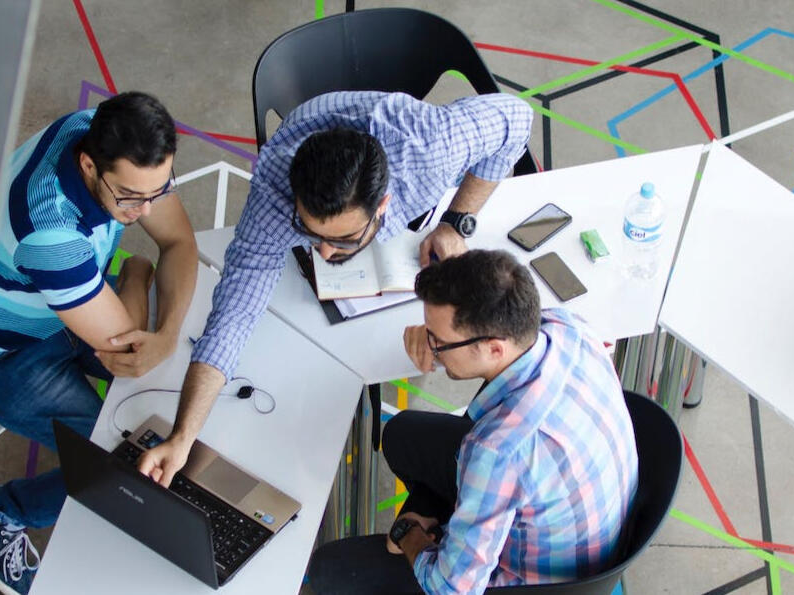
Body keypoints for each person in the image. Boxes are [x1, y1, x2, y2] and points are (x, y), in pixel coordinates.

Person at [137, 90, 534, 487]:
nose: (325, 253)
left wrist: (457, 219)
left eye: (343, 240)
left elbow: (517, 118)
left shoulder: (431, 149)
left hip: (402, 136)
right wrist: (183, 436)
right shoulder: (275, 190)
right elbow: (234, 313)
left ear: (383, 206)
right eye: (310, 233)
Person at [0, 91, 198, 594]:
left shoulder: (104, 131)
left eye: (159, 192)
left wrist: (167, 332)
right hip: (5, 355)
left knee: (171, 384)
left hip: (68, 306)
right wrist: (136, 277)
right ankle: (1, 511)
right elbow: (130, 349)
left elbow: (179, 242)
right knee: (119, 462)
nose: (146, 209)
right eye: (131, 197)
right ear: (89, 165)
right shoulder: (50, 233)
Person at [307, 249, 639, 594]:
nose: (430, 346)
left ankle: (450, 525)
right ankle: (456, 516)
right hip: (584, 524)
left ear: (494, 348)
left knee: (330, 569)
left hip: (538, 584)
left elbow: (450, 588)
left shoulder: (497, 451)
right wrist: (437, 336)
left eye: (439, 341)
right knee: (403, 435)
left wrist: (412, 537)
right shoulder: (568, 328)